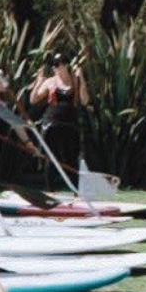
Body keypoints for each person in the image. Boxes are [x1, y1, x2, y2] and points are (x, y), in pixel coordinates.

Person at [30, 51, 90, 189]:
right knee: (51, 158)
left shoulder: (75, 80)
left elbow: (85, 101)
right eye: (53, 64)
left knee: (71, 159)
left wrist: (82, 80)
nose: (54, 67)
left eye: (57, 64)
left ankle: (76, 191)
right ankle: (50, 190)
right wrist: (38, 82)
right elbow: (33, 100)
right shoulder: (50, 81)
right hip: (51, 124)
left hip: (70, 124)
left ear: (66, 65)